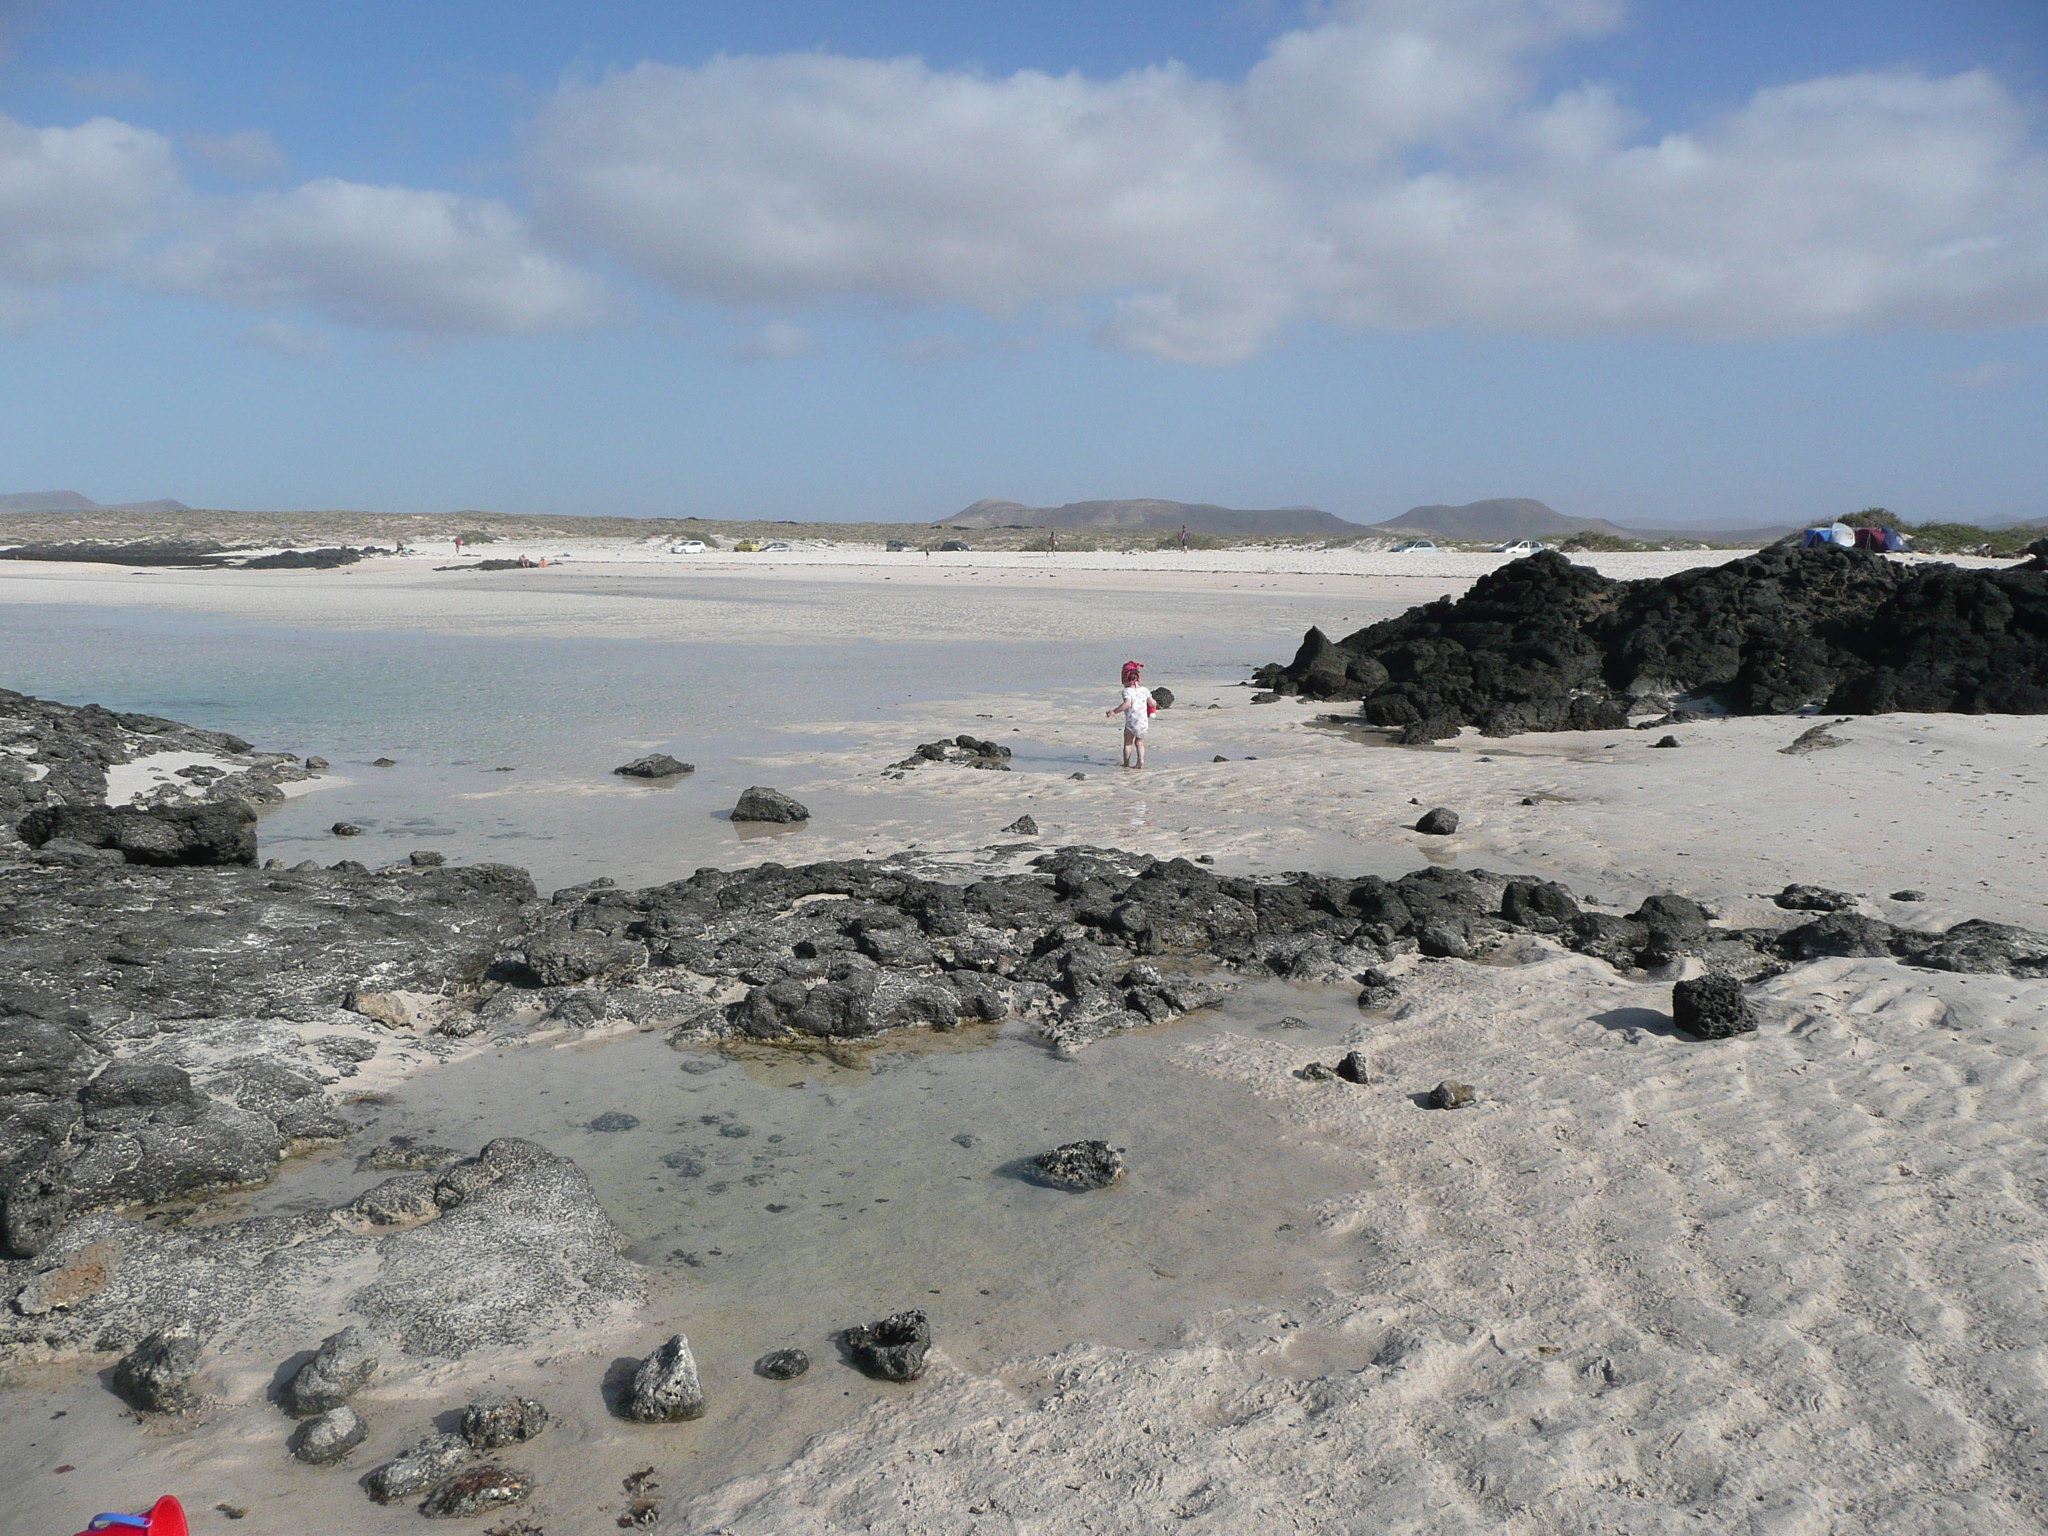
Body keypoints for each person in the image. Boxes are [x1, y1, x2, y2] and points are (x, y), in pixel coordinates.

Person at [1105, 659, 1154, 767]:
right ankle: (1140, 760)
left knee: (1128, 743)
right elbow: (1152, 703)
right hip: (1143, 723)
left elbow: (1127, 704)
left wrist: (1114, 711)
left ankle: (1126, 763)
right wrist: (1153, 708)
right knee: (1140, 742)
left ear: (1125, 679)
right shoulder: (1145, 690)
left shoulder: (1127, 691)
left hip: (1132, 722)